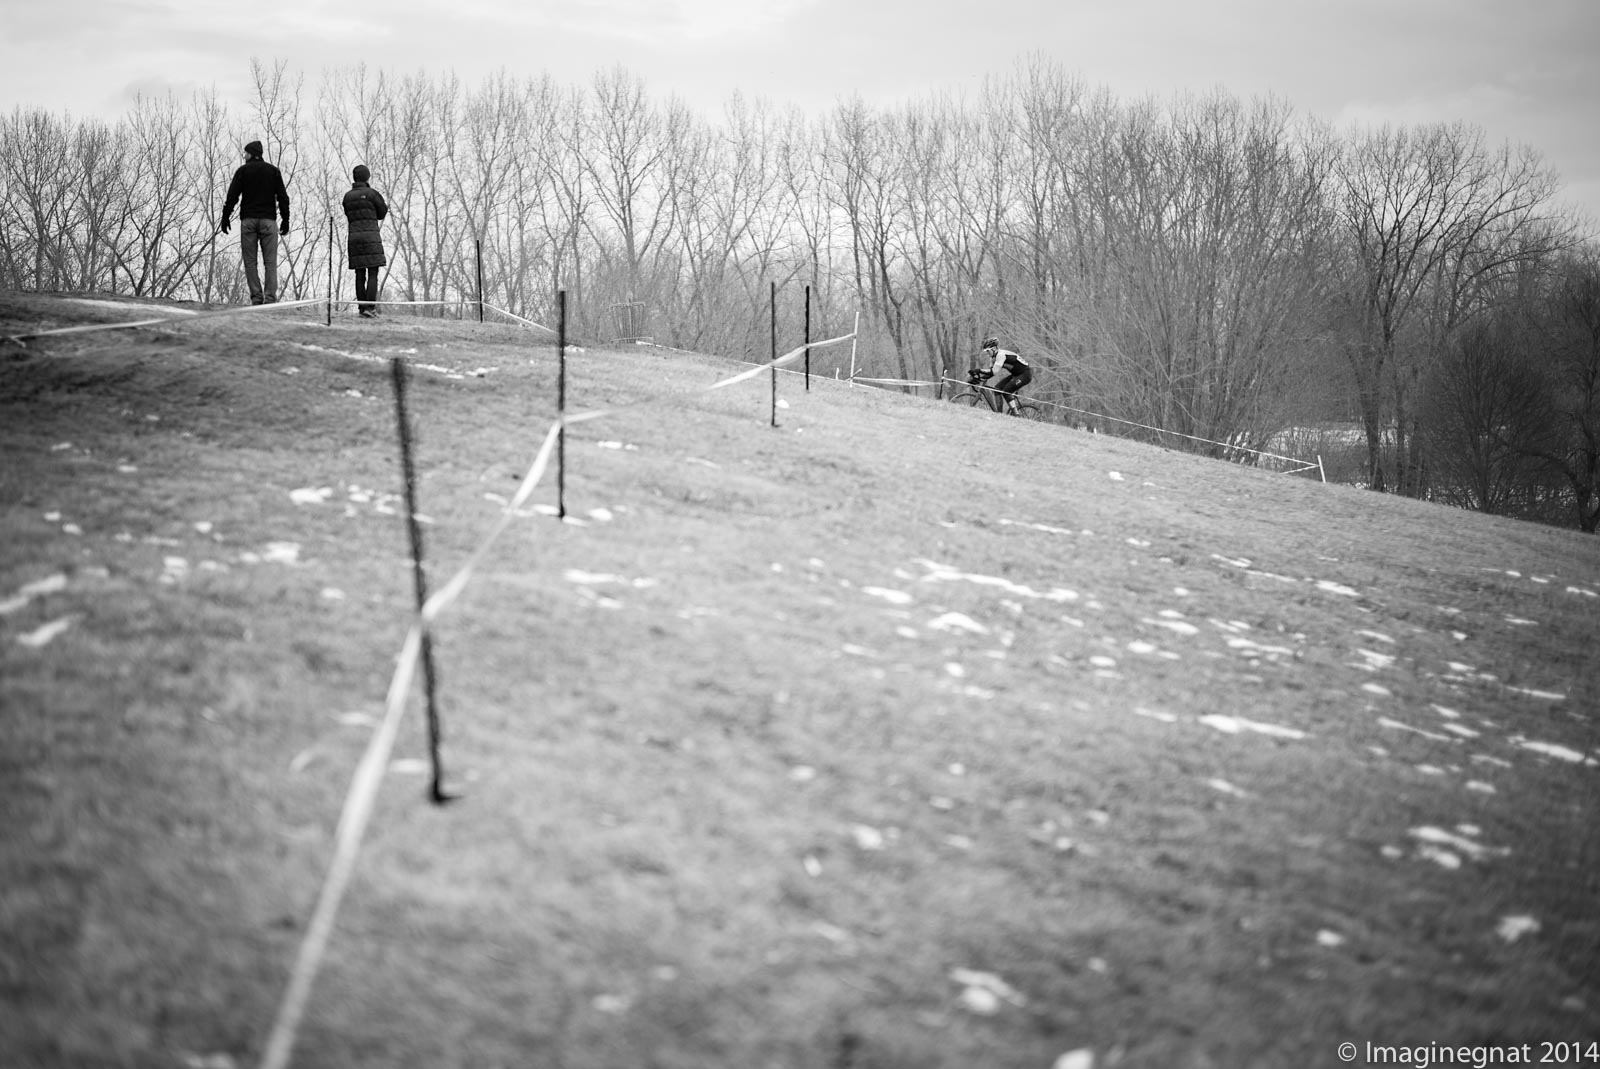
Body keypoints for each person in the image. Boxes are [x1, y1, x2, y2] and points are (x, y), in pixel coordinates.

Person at [218, 140, 290, 305]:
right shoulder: (273, 171)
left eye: (245, 153)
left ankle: (256, 297)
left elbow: (232, 196)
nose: (244, 156)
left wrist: (225, 216)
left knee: (250, 262)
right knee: (270, 262)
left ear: (250, 154)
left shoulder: (242, 171)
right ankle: (270, 298)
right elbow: (283, 197)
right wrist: (285, 219)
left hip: (248, 221)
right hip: (268, 221)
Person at [342, 164, 389, 318]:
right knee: (373, 272)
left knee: (359, 273)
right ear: (367, 177)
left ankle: (362, 308)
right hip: (371, 237)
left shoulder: (347, 197)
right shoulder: (372, 194)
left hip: (354, 238)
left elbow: (349, 214)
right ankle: (370, 307)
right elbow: (382, 212)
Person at [978, 336, 1033, 414]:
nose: (987, 353)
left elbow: (994, 372)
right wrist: (979, 378)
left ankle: (1016, 414)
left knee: (1006, 391)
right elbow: (990, 373)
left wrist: (978, 372)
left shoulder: (1001, 355)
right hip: (1016, 374)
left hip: (1025, 374)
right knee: (997, 389)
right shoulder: (993, 358)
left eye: (988, 351)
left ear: (994, 348)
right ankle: (999, 414)